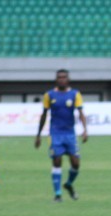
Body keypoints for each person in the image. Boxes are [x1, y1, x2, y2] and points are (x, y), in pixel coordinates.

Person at [34, 69, 87, 202]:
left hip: (70, 133)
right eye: (59, 77)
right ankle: (57, 194)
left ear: (68, 79)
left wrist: (85, 129)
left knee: (76, 164)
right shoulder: (49, 95)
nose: (61, 79)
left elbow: (81, 113)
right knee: (57, 161)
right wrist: (38, 135)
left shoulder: (75, 94)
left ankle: (68, 184)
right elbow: (44, 114)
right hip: (55, 133)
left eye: (64, 77)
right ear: (56, 79)